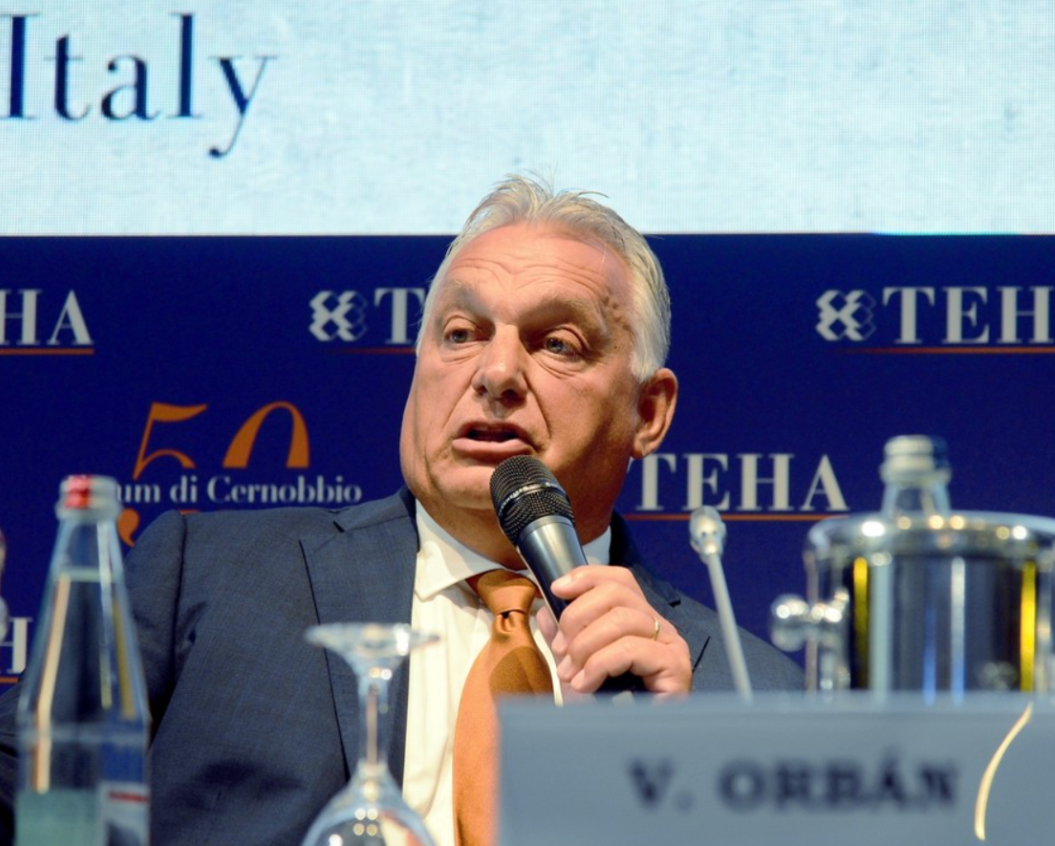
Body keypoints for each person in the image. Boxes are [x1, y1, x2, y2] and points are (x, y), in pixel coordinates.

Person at [0, 174, 803, 846]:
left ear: (649, 413)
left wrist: (673, 784)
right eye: (460, 332)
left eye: (557, 343)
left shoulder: (754, 696)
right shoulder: (206, 575)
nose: (495, 373)